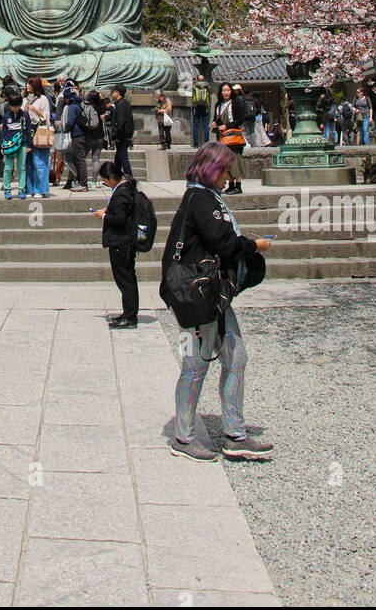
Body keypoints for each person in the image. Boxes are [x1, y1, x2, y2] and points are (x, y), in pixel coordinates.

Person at [162, 142, 274, 462]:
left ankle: (234, 433)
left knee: (236, 358)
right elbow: (225, 243)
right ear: (212, 169)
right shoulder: (200, 199)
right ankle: (183, 437)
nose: (229, 176)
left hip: (216, 296)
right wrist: (256, 246)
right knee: (194, 366)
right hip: (198, 297)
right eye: (226, 169)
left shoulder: (208, 197)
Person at [93, 158, 139, 329]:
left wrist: (103, 216)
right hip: (124, 241)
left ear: (112, 177)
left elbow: (119, 219)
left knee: (125, 280)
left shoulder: (121, 192)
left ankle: (131, 317)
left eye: (105, 180)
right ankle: (128, 312)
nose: (105, 183)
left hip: (122, 242)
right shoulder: (125, 189)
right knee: (126, 279)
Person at [212, 83, 246, 194]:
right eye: (223, 90)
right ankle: (230, 184)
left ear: (231, 91)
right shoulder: (218, 104)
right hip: (222, 136)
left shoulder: (236, 103)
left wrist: (227, 126)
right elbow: (217, 118)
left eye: (228, 90)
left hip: (233, 136)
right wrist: (215, 124)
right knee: (225, 162)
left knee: (235, 160)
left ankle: (238, 185)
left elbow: (240, 119)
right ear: (220, 92)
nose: (226, 93)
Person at [0, 91, 33, 199]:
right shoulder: (6, 116)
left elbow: (29, 130)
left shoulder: (25, 115)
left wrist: (29, 145)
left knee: (22, 167)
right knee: (8, 168)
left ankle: (21, 189)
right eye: (12, 106)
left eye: (17, 106)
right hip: (9, 145)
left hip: (22, 143)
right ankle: (7, 189)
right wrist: (2, 145)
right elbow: (4, 131)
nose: (14, 108)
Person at [24, 76, 52, 197]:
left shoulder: (43, 99)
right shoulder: (24, 99)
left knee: (40, 162)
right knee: (28, 162)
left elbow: (47, 118)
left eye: (28, 84)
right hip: (27, 131)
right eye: (26, 83)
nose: (26, 86)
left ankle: (40, 189)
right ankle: (29, 189)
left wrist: (36, 110)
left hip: (39, 131)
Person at [110, 84, 134, 179]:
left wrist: (116, 135)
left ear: (117, 92)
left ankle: (130, 179)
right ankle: (114, 179)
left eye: (113, 92)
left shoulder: (120, 105)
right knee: (118, 160)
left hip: (122, 136)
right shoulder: (125, 104)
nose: (112, 94)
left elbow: (121, 122)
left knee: (123, 159)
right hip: (124, 135)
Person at [84, 89, 107, 186]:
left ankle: (80, 179)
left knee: (82, 158)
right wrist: (101, 98)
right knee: (96, 159)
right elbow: (104, 105)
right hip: (99, 136)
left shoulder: (86, 108)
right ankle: (94, 181)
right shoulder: (102, 107)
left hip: (89, 135)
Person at [191, 74, 211, 148]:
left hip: (196, 107)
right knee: (206, 126)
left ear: (197, 79)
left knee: (195, 126)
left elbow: (192, 96)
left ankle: (196, 144)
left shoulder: (194, 85)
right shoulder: (207, 85)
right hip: (205, 107)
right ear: (204, 79)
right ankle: (206, 144)